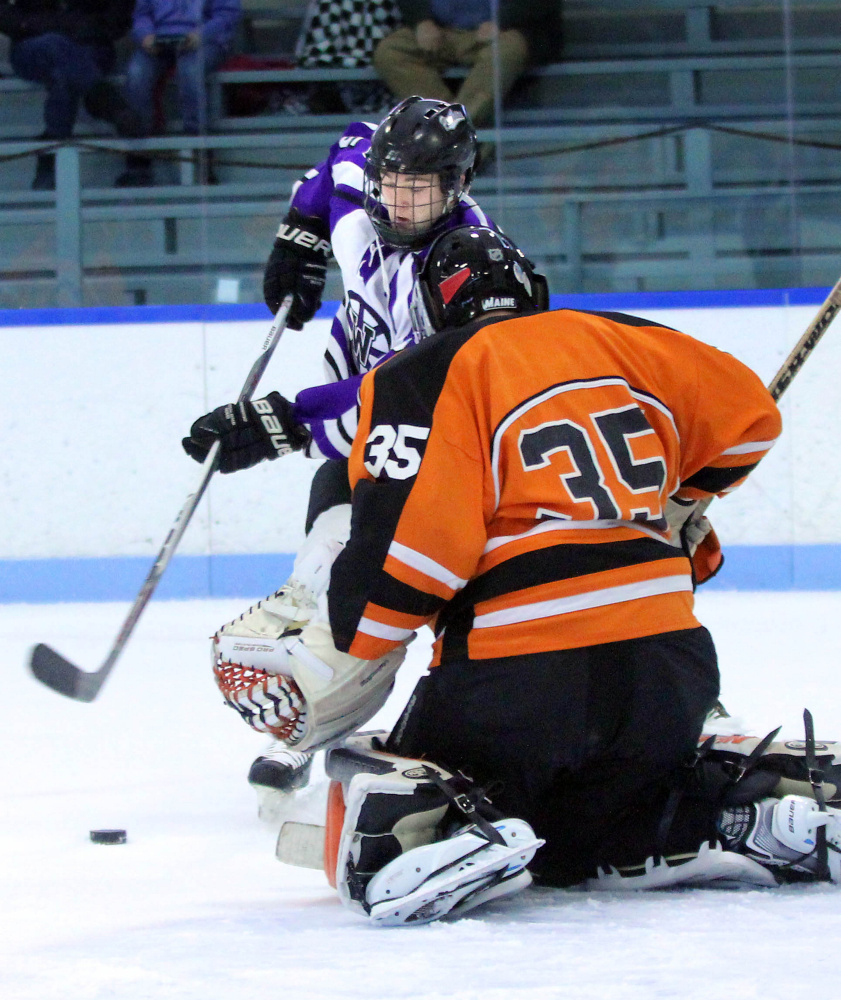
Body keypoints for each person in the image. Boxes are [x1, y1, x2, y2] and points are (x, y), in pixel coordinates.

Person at [200, 226, 841, 926]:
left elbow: (412, 563)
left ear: (435, 309)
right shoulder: (625, 337)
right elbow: (752, 415)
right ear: (531, 291)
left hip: (516, 678)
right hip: (670, 670)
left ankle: (447, 827)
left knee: (374, 767)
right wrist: (685, 496)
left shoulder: (421, 372)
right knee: (591, 833)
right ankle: (736, 807)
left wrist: (351, 627)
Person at [182, 96, 495, 806]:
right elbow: (347, 145)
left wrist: (288, 420)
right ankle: (309, 726)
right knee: (325, 562)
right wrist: (298, 232)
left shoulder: (464, 268)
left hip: (432, 445)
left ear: (458, 184)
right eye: (392, 182)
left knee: (415, 594)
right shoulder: (367, 191)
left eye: (421, 187)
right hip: (360, 398)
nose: (401, 199)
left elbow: (409, 399)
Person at [0, 0, 141, 190]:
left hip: (91, 43)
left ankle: (50, 157)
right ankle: (105, 100)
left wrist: (94, 29)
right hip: (33, 43)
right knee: (55, 44)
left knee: (64, 75)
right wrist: (24, 25)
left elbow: (120, 12)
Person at [373, 1, 560, 128]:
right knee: (390, 51)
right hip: (440, 31)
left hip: (499, 32)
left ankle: (455, 130)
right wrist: (422, 21)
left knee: (508, 49)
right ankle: (451, 126)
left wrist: (502, 20)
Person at [115, 0, 242, 187]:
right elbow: (142, 15)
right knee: (136, 73)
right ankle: (138, 159)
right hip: (157, 41)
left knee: (190, 70)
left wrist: (202, 34)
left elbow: (227, 14)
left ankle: (200, 154)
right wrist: (145, 36)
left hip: (204, 40)